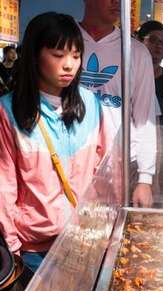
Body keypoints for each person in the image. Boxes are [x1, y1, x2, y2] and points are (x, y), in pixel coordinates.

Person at [0, 13, 111, 272]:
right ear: (34, 55)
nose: (69, 65)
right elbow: (4, 186)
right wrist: (13, 246)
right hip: (33, 251)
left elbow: (104, 171)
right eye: (58, 55)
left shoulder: (91, 106)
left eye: (75, 55)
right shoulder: (8, 112)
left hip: (84, 240)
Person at [79, 0, 156, 207]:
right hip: (72, 161)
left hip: (119, 165)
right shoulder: (66, 43)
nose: (117, 3)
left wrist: (145, 178)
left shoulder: (136, 52)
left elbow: (144, 118)